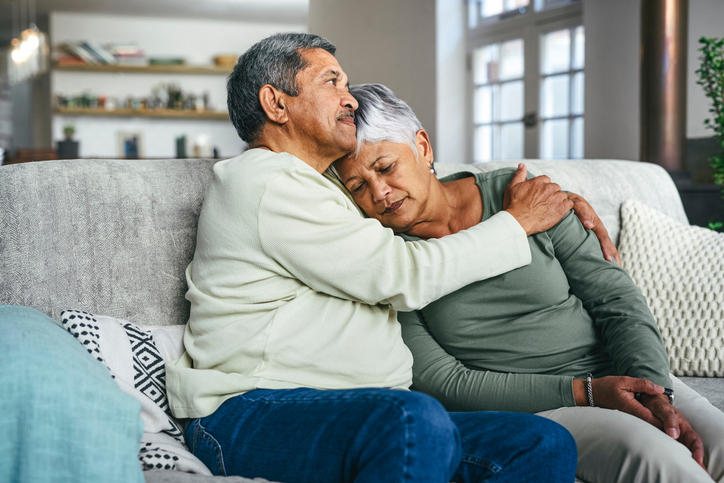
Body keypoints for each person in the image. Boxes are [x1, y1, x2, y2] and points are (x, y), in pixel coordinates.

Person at [165, 33, 592, 482]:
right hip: (255, 411)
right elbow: (403, 274)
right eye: (331, 81)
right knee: (412, 418)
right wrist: (519, 220)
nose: (349, 99)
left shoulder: (323, 188)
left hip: (362, 415)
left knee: (540, 442)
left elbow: (415, 190)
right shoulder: (265, 182)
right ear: (276, 103)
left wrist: (552, 200)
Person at [332, 83, 724, 483]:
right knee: (665, 464)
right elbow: (443, 382)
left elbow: (615, 297)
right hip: (543, 407)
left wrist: (654, 391)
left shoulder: (522, 194)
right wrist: (590, 391)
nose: (379, 193)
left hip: (623, 370)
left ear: (423, 146)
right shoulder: (387, 258)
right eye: (358, 186)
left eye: (385, 167)